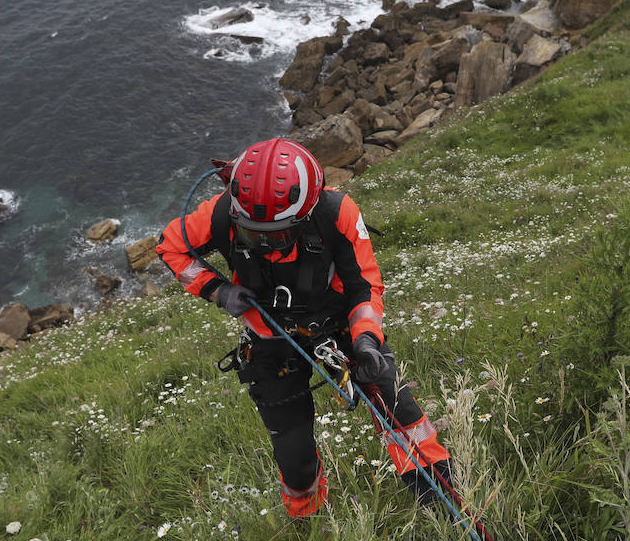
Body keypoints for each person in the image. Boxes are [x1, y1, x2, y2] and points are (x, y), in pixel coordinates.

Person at [156, 138, 452, 518]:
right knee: (293, 456)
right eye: (251, 234)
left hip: (338, 329)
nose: (263, 245)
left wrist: (365, 341)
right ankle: (308, 521)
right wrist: (217, 290)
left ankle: (442, 499)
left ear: (305, 215)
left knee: (398, 410)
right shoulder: (221, 213)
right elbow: (171, 246)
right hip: (271, 340)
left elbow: (364, 286)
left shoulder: (335, 213)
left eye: (275, 236)